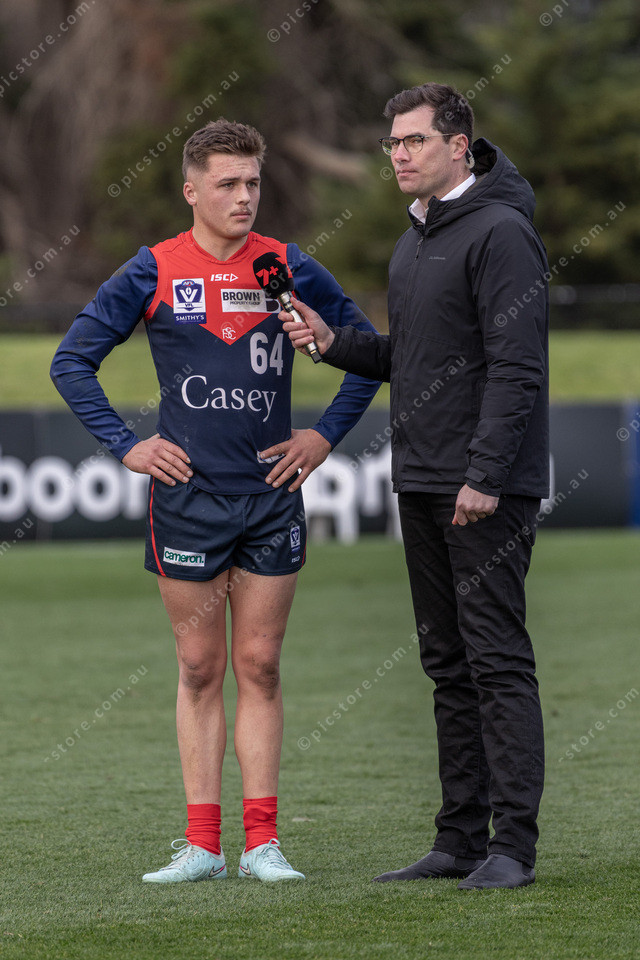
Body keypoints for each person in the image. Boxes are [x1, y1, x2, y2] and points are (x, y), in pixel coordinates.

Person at [50, 118, 380, 884]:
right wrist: (126, 445)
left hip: (270, 496)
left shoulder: (288, 267)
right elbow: (72, 362)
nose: (243, 196)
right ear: (191, 190)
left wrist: (323, 436)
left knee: (260, 664)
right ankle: (202, 846)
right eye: (228, 183)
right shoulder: (154, 269)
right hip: (187, 501)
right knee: (199, 668)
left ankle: (263, 844)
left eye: (253, 182)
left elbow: (366, 354)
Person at [277, 83, 549, 890]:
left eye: (415, 141)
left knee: (496, 660)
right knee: (446, 662)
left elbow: (517, 368)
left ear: (459, 146)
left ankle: (513, 848)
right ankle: (459, 839)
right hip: (422, 477)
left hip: (481, 487)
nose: (398, 154)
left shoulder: (502, 232)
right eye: (393, 142)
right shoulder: (416, 237)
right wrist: (333, 342)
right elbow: (414, 359)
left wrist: (485, 476)